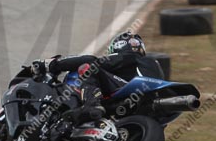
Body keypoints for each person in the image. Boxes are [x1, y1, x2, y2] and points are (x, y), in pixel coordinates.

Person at [32, 31, 164, 125]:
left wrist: (52, 64)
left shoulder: (127, 56)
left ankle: (92, 104)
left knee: (89, 66)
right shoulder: (153, 63)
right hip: (147, 107)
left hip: (130, 90)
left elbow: (91, 60)